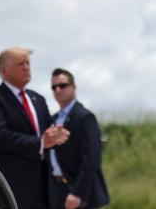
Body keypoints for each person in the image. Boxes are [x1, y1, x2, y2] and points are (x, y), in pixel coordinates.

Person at [0, 47, 69, 209]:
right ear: (3, 70)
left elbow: (48, 133)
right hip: (8, 188)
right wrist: (41, 143)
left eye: (27, 63)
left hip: (43, 189)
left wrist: (57, 135)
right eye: (20, 64)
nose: (26, 67)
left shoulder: (38, 99)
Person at [47, 68, 109, 209]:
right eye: (54, 87)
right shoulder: (53, 119)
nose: (58, 90)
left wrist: (78, 193)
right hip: (57, 191)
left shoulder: (85, 117)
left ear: (73, 87)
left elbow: (92, 159)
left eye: (62, 85)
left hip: (78, 193)